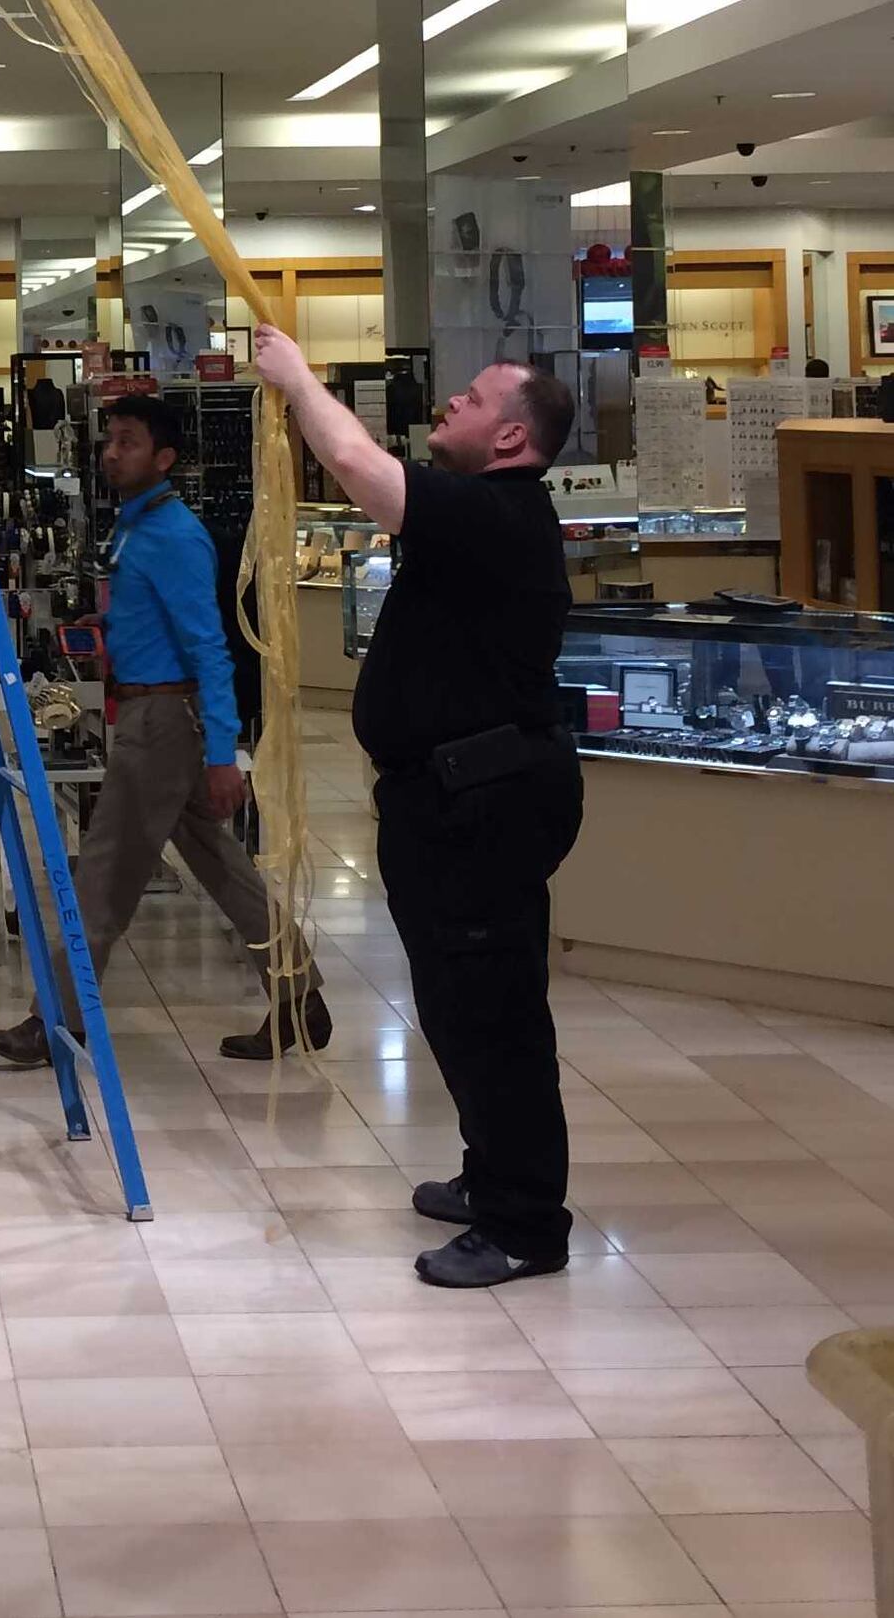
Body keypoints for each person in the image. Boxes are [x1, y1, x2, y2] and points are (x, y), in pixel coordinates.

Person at [254, 327, 584, 1289]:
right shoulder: (483, 511)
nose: (451, 405)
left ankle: (526, 1222)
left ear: (514, 438)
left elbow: (359, 464)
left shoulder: (505, 514)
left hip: (484, 803)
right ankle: (493, 1177)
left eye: (473, 401)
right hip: (445, 801)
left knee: (496, 1014)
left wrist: (298, 379)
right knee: (456, 1004)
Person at [0, 396, 318, 1070]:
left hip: (161, 725)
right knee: (219, 864)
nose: (110, 452)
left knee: (103, 874)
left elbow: (210, 648)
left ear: (164, 458)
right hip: (150, 713)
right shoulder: (136, 526)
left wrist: (224, 755)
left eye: (128, 442)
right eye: (110, 440)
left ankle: (53, 1022)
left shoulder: (175, 536)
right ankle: (298, 994)